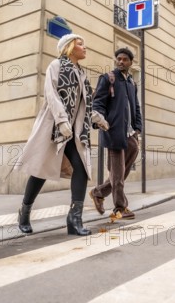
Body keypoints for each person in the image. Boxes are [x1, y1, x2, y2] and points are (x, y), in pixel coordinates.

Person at [14, 33, 107, 236]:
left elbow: (85, 104)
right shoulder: (55, 66)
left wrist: (98, 119)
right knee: (40, 171)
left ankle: (74, 219)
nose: (85, 48)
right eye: (81, 44)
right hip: (53, 126)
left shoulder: (81, 73)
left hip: (75, 131)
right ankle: (25, 211)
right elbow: (51, 94)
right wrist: (62, 120)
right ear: (70, 47)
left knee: (81, 169)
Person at [89, 47, 142, 222]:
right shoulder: (108, 79)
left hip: (129, 133)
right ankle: (120, 207)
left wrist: (138, 129)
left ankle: (99, 192)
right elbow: (98, 104)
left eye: (124, 59)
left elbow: (135, 108)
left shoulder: (131, 83)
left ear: (130, 62)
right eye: (118, 59)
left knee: (124, 165)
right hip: (112, 131)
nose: (120, 61)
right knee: (118, 172)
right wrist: (102, 121)